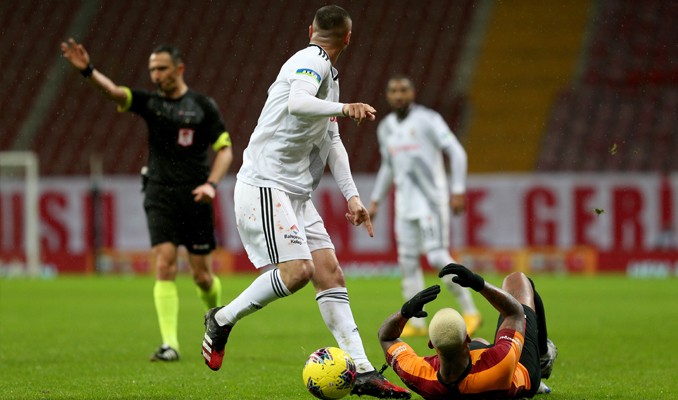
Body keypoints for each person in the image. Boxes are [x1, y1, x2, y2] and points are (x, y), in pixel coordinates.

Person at [200, 5, 410, 399]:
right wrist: (345, 108)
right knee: (298, 271)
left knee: (330, 272)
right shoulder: (308, 60)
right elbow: (298, 102)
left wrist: (353, 197)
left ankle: (362, 371)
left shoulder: (328, 76)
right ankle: (221, 319)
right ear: (348, 38)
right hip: (265, 183)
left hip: (295, 192)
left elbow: (332, 141)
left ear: (310, 29)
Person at [61, 39, 233, 362]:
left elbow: (225, 149)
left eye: (162, 68)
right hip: (159, 193)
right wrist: (88, 70)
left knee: (202, 276)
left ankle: (217, 320)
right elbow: (113, 92)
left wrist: (211, 184)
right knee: (165, 263)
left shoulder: (203, 106)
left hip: (196, 195)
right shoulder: (150, 103)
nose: (155, 75)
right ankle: (171, 344)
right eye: (152, 69)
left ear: (179, 69)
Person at [368, 75, 481, 337]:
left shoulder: (429, 120)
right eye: (393, 90)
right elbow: (388, 166)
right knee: (407, 262)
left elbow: (457, 152)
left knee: (436, 256)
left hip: (432, 202)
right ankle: (415, 322)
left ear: (413, 93)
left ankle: (470, 310)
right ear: (388, 95)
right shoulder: (385, 127)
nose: (398, 95)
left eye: (403, 90)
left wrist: (458, 190)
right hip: (404, 205)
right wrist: (375, 201)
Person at [377, 263, 558, 399]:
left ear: (432, 344)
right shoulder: (501, 360)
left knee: (482, 344)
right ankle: (543, 358)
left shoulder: (418, 374)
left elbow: (385, 336)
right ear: (467, 338)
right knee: (517, 280)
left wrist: (405, 311)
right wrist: (479, 283)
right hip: (521, 372)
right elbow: (514, 313)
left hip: (470, 380)